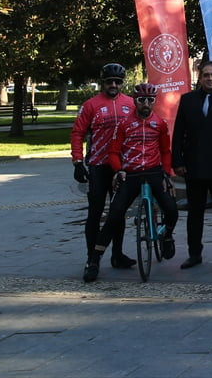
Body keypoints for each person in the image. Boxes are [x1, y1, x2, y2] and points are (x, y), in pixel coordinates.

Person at [83, 83, 178, 282]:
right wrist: (119, 171)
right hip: (131, 174)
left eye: (150, 100)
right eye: (141, 100)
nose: (145, 104)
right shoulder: (124, 123)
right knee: (114, 216)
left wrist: (167, 174)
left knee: (171, 209)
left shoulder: (159, 123)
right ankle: (94, 259)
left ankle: (167, 235)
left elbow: (166, 151)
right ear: (134, 101)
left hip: (153, 172)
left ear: (154, 102)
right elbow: (113, 152)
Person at [71, 62, 137, 271]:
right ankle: (92, 258)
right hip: (99, 165)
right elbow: (77, 133)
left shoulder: (131, 103)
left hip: (122, 167)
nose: (114, 85)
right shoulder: (91, 105)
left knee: (118, 212)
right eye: (110, 82)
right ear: (103, 83)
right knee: (95, 212)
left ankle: (117, 255)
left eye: (118, 82)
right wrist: (77, 161)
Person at [172, 59, 212, 268]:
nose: (210, 78)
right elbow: (179, 133)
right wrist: (177, 161)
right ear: (199, 77)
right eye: (206, 75)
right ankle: (194, 253)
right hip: (194, 166)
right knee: (195, 214)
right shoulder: (187, 100)